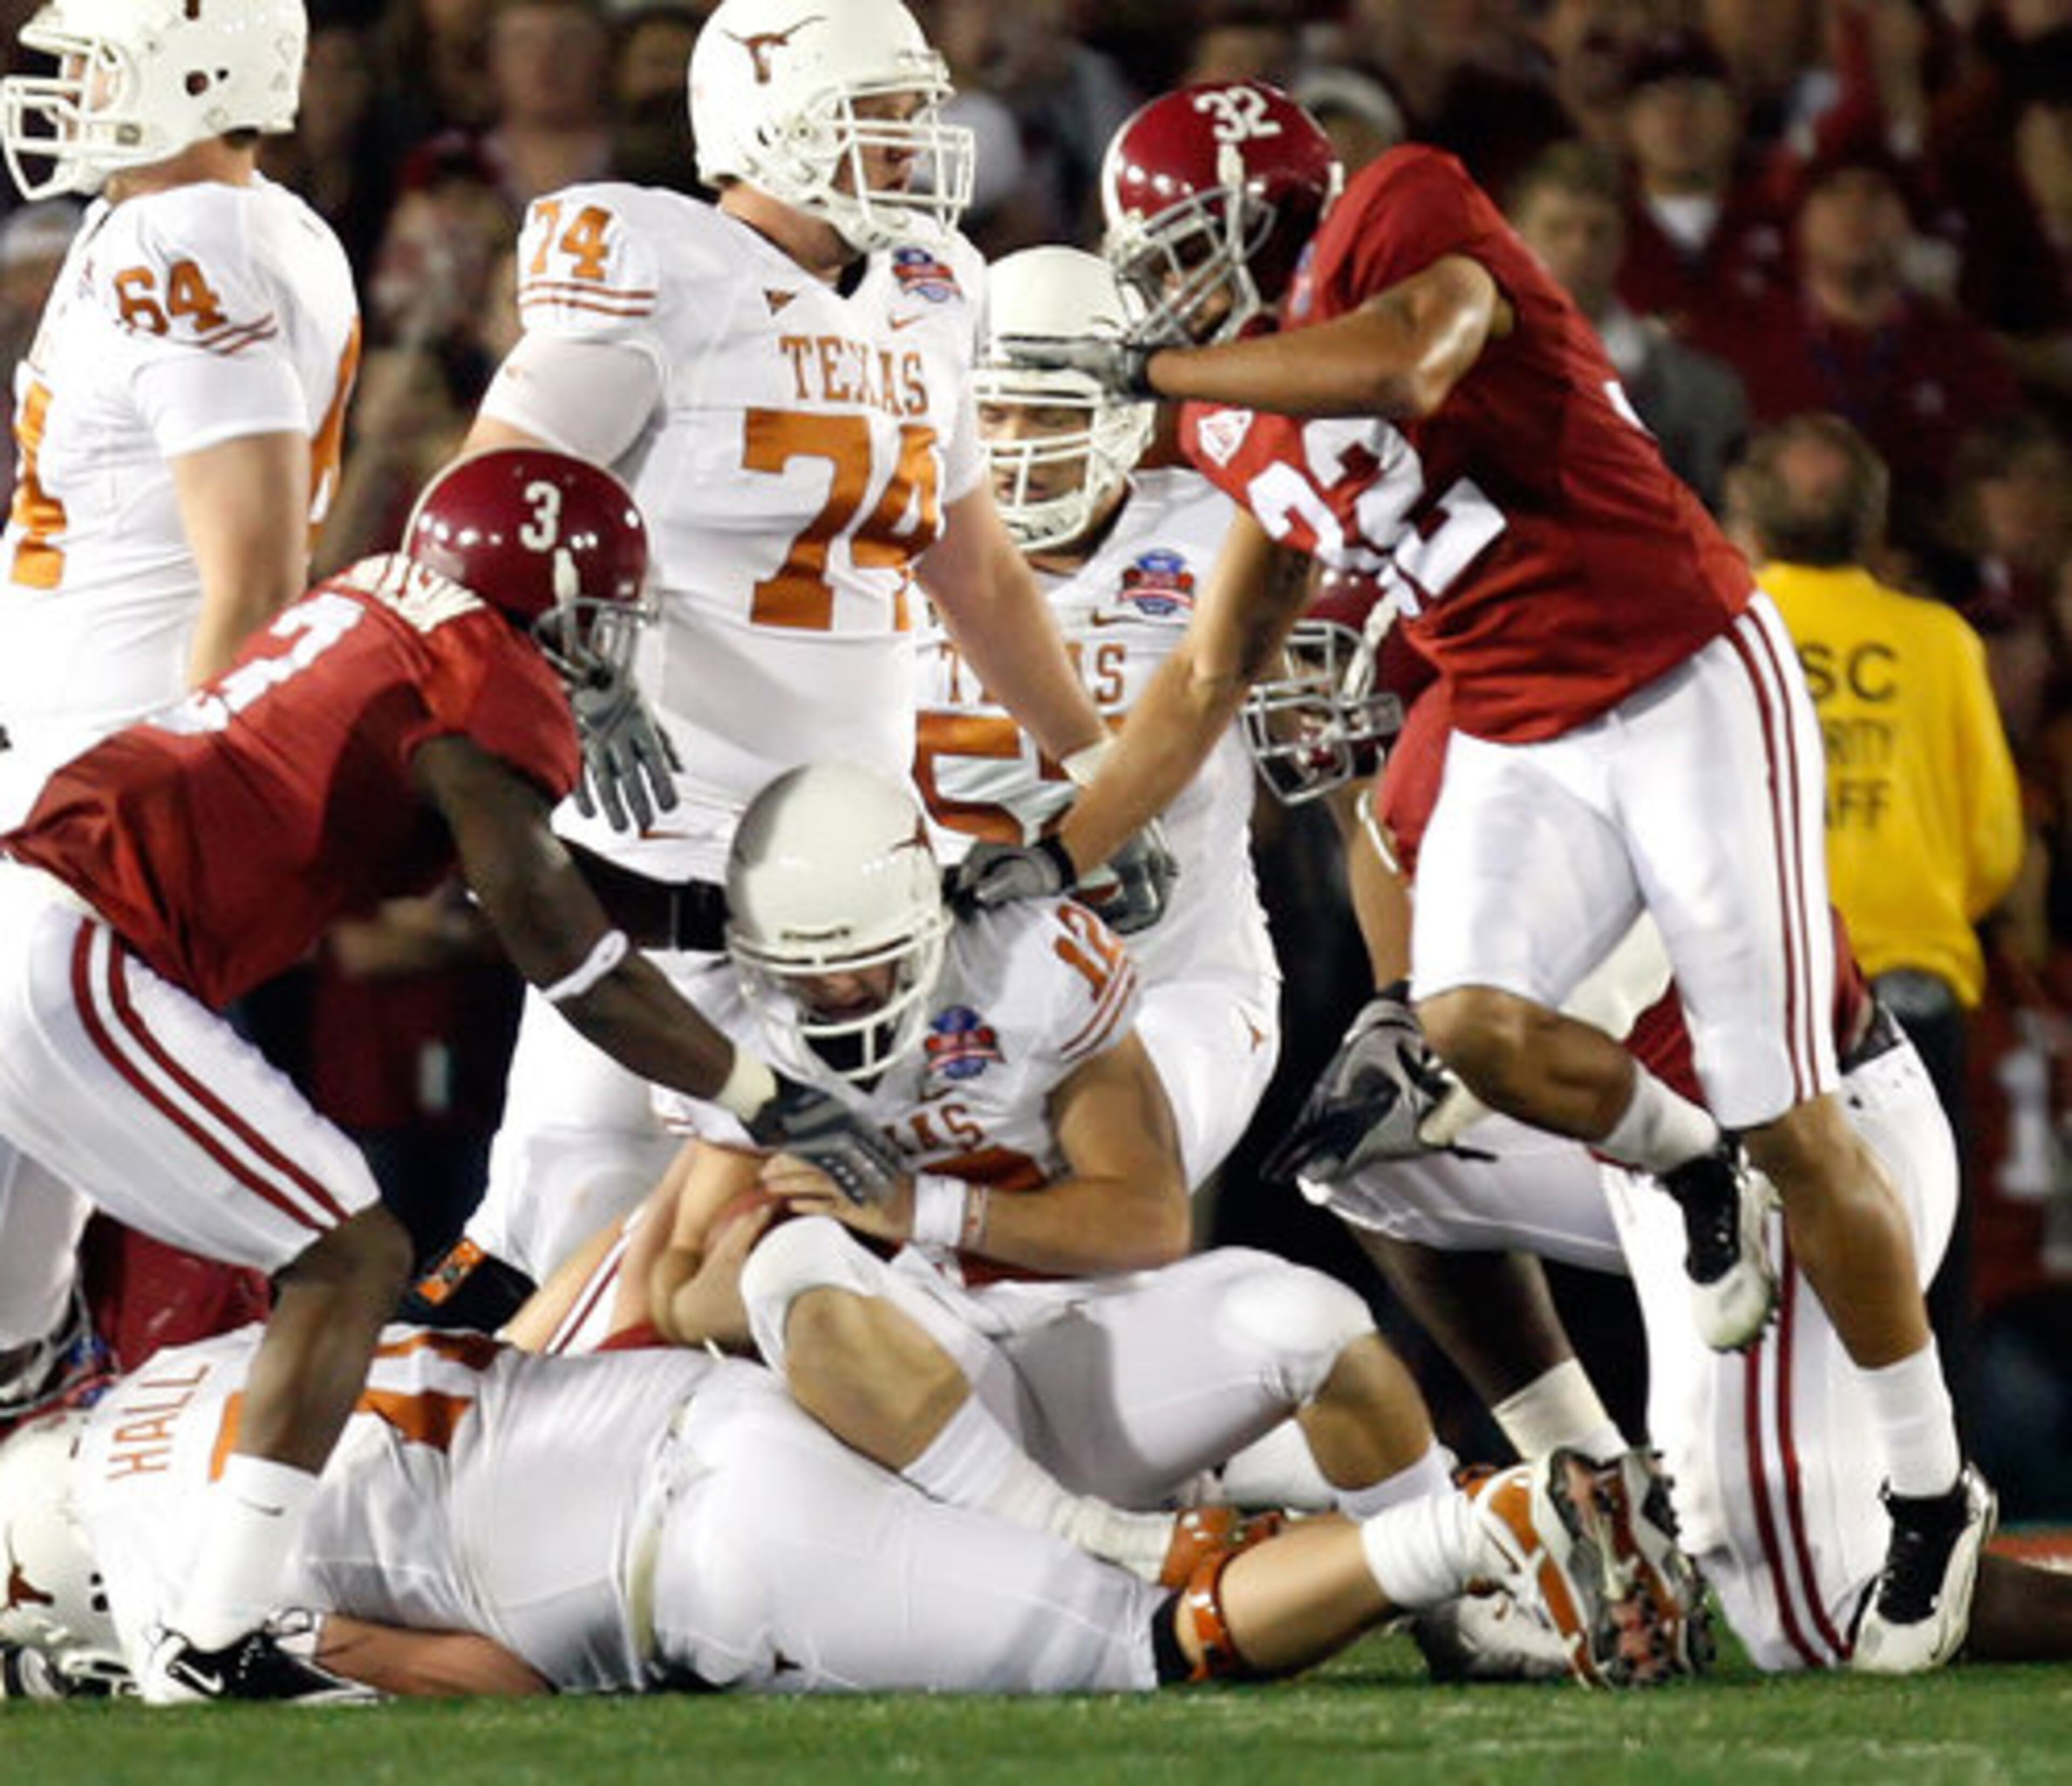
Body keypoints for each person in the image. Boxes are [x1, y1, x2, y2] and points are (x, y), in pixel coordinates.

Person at [982, 78, 1989, 1672]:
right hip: (1578, 862)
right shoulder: (1417, 710)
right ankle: (1593, 1464)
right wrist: (1045, 857)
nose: (1161, 289)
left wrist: (1159, 378)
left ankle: (1934, 1488)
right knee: (1401, 1091)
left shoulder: (1398, 217)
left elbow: (1408, 358)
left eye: (1180, 254)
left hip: (1704, 762)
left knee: (1803, 1612)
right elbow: (1208, 680)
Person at [0, 447, 876, 1704]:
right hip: (84, 943)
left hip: (37, 911)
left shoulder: (386, 608)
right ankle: (215, 1637)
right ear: (551, 604)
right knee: (350, 1252)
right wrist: (765, 1095)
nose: (609, 652)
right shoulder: (481, 678)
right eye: (598, 621)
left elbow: (528, 876)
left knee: (16, 1362)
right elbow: (567, 957)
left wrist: (709, 909)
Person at [499, 759, 1676, 1688]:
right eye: (807, 974)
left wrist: (919, 1204)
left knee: (1319, 1323)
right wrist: (784, 1227)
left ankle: (1451, 1611)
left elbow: (1149, 1216)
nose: (838, 999)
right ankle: (1096, 1540)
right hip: (896, 1397)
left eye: (861, 965)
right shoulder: (732, 1026)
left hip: (1059, 1331)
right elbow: (682, 1295)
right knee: (790, 1264)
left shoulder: (1027, 958)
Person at [424, 0, 1134, 1317]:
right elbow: (476, 516)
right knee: (554, 1260)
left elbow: (972, 568)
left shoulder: (933, 292)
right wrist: (582, 661)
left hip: (845, 897)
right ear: (771, 126)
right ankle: (375, 1471)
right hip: (646, 872)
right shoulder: (658, 263)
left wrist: (1099, 765)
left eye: (913, 116)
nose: (916, 146)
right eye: (878, 118)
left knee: (763, 1287)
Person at [1299, 671, 2072, 1676]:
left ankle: (1931, 1513)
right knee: (1367, 1156)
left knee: (1818, 1622)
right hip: (1662, 1131)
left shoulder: (1555, 734)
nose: (1308, 704)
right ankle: (1598, 1507)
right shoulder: (1424, 773)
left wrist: (1447, 1050)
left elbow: (1580, 1011)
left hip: (1793, 1146)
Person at [0, 1317, 1628, 1702]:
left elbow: (484, 1685)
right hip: (721, 1394)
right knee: (1107, 1508)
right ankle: (1458, 1512)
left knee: (1157, 1638)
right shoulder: (179, 1366)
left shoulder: (158, 1583)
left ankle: (1480, 1527)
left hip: (702, 1552)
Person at [0, 0, 362, 1440]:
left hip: (99, 809)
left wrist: (181, 820)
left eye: (94, 56)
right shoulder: (199, 225)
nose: (65, 85)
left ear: (196, 68)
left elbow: (257, 563)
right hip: (74, 791)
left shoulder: (184, 239)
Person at [917, 244, 1279, 1193]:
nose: (1017, 445)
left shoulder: (1220, 533)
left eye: (1051, 413)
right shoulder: (888, 536)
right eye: (990, 413)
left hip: (1171, 976)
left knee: (1106, 1185)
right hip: (940, 985)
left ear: (1123, 415)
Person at [1730, 412, 2026, 1405]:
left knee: (1757, 1270)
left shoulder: (1728, 627)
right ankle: (1949, 1511)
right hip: (1909, 986)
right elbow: (1993, 842)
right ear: (1873, 521)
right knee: (1925, 1261)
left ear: (1748, 514)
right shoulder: (1939, 640)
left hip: (1754, 984)